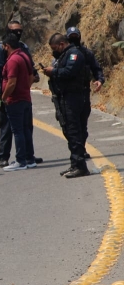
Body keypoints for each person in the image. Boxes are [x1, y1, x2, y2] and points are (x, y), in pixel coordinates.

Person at [0, 20, 43, 168]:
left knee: (25, 127)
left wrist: (32, 79)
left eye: (20, 31)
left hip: (19, 94)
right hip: (6, 93)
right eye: (15, 31)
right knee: (7, 127)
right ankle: (4, 156)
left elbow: (31, 68)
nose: (18, 34)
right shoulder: (1, 48)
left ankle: (27, 156)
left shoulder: (22, 48)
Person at [42, 33, 91, 178]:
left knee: (74, 131)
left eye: (55, 48)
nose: (54, 51)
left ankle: (81, 166)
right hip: (66, 97)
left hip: (74, 98)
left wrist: (54, 72)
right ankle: (75, 164)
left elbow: (70, 72)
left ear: (62, 44)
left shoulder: (74, 54)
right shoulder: (63, 56)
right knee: (69, 131)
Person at [0, 34, 37, 171]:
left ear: (7, 46)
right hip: (25, 98)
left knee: (18, 131)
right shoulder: (24, 56)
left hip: (15, 100)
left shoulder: (13, 60)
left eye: (4, 47)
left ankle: (21, 161)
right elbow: (31, 76)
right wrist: (25, 89)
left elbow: (11, 82)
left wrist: (4, 98)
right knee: (26, 129)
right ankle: (30, 158)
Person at [66, 27, 105, 159]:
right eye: (71, 36)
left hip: (83, 92)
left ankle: (80, 150)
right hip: (68, 95)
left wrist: (99, 80)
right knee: (70, 125)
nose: (73, 39)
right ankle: (76, 151)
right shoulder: (63, 54)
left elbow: (96, 68)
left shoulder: (86, 53)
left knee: (82, 123)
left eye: (75, 36)